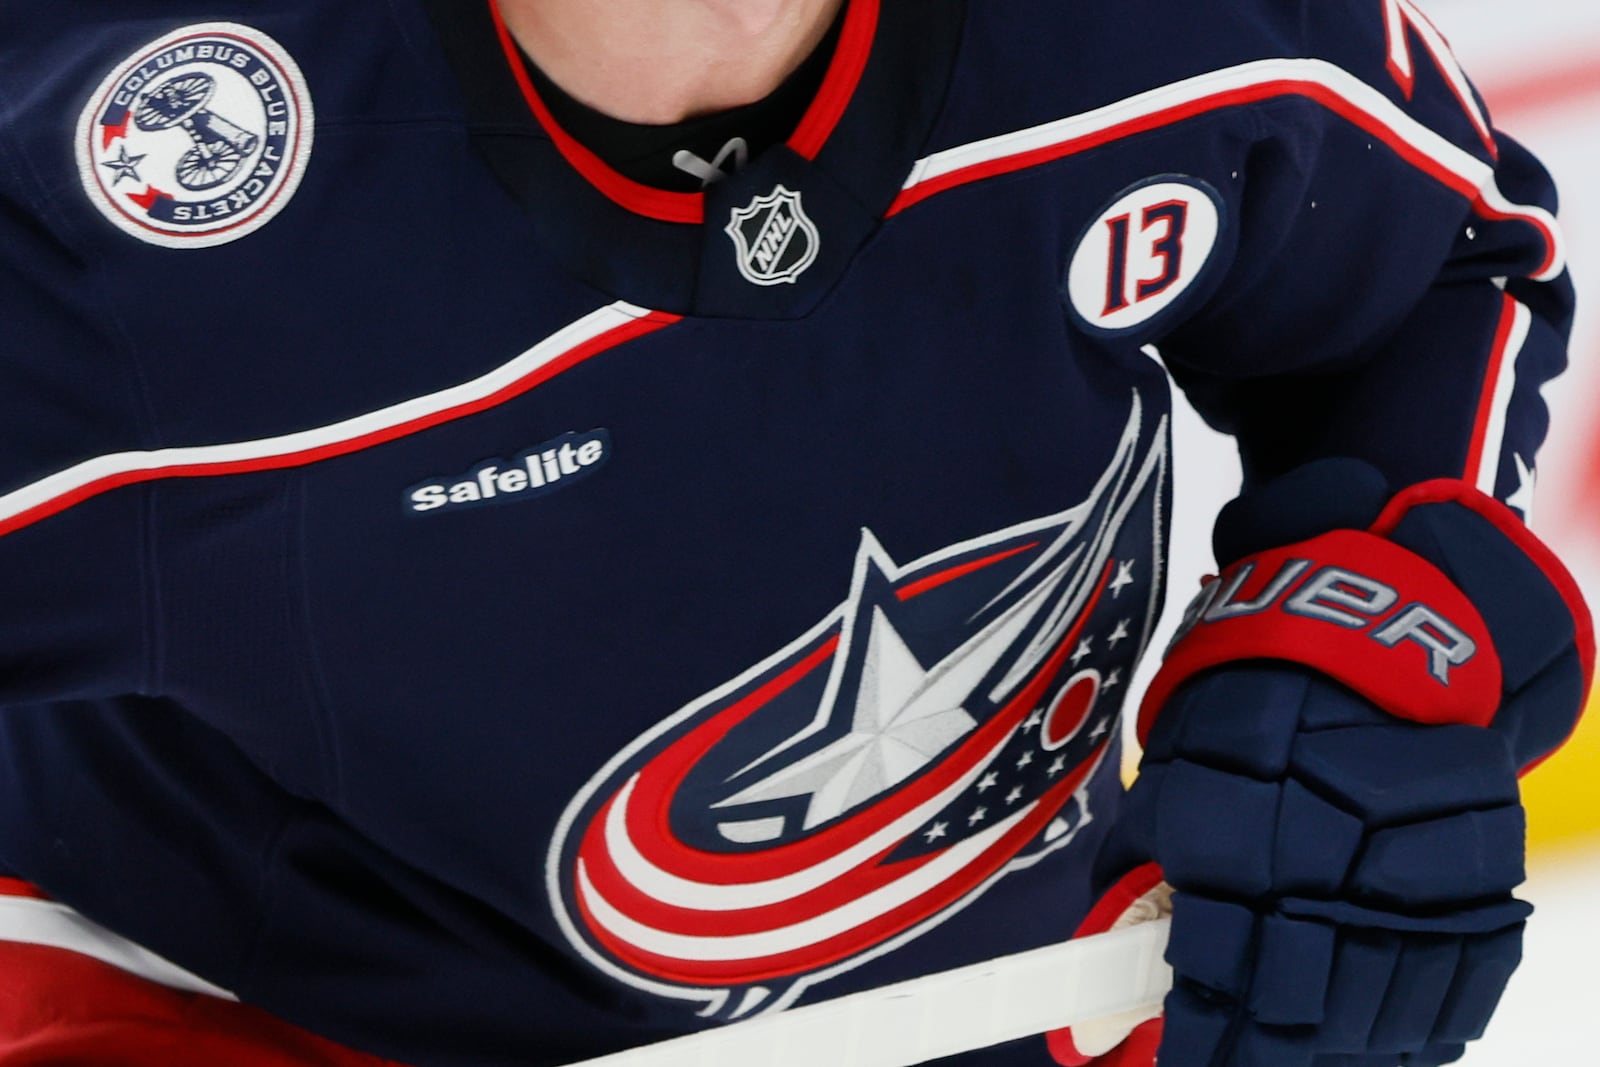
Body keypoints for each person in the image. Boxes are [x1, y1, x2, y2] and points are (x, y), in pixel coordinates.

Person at [0, 0, 1589, 1065]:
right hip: (243, 1011)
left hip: (1007, 1001)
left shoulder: (1173, 31)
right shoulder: (112, 207)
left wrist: (1367, 620)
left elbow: (1440, 261)